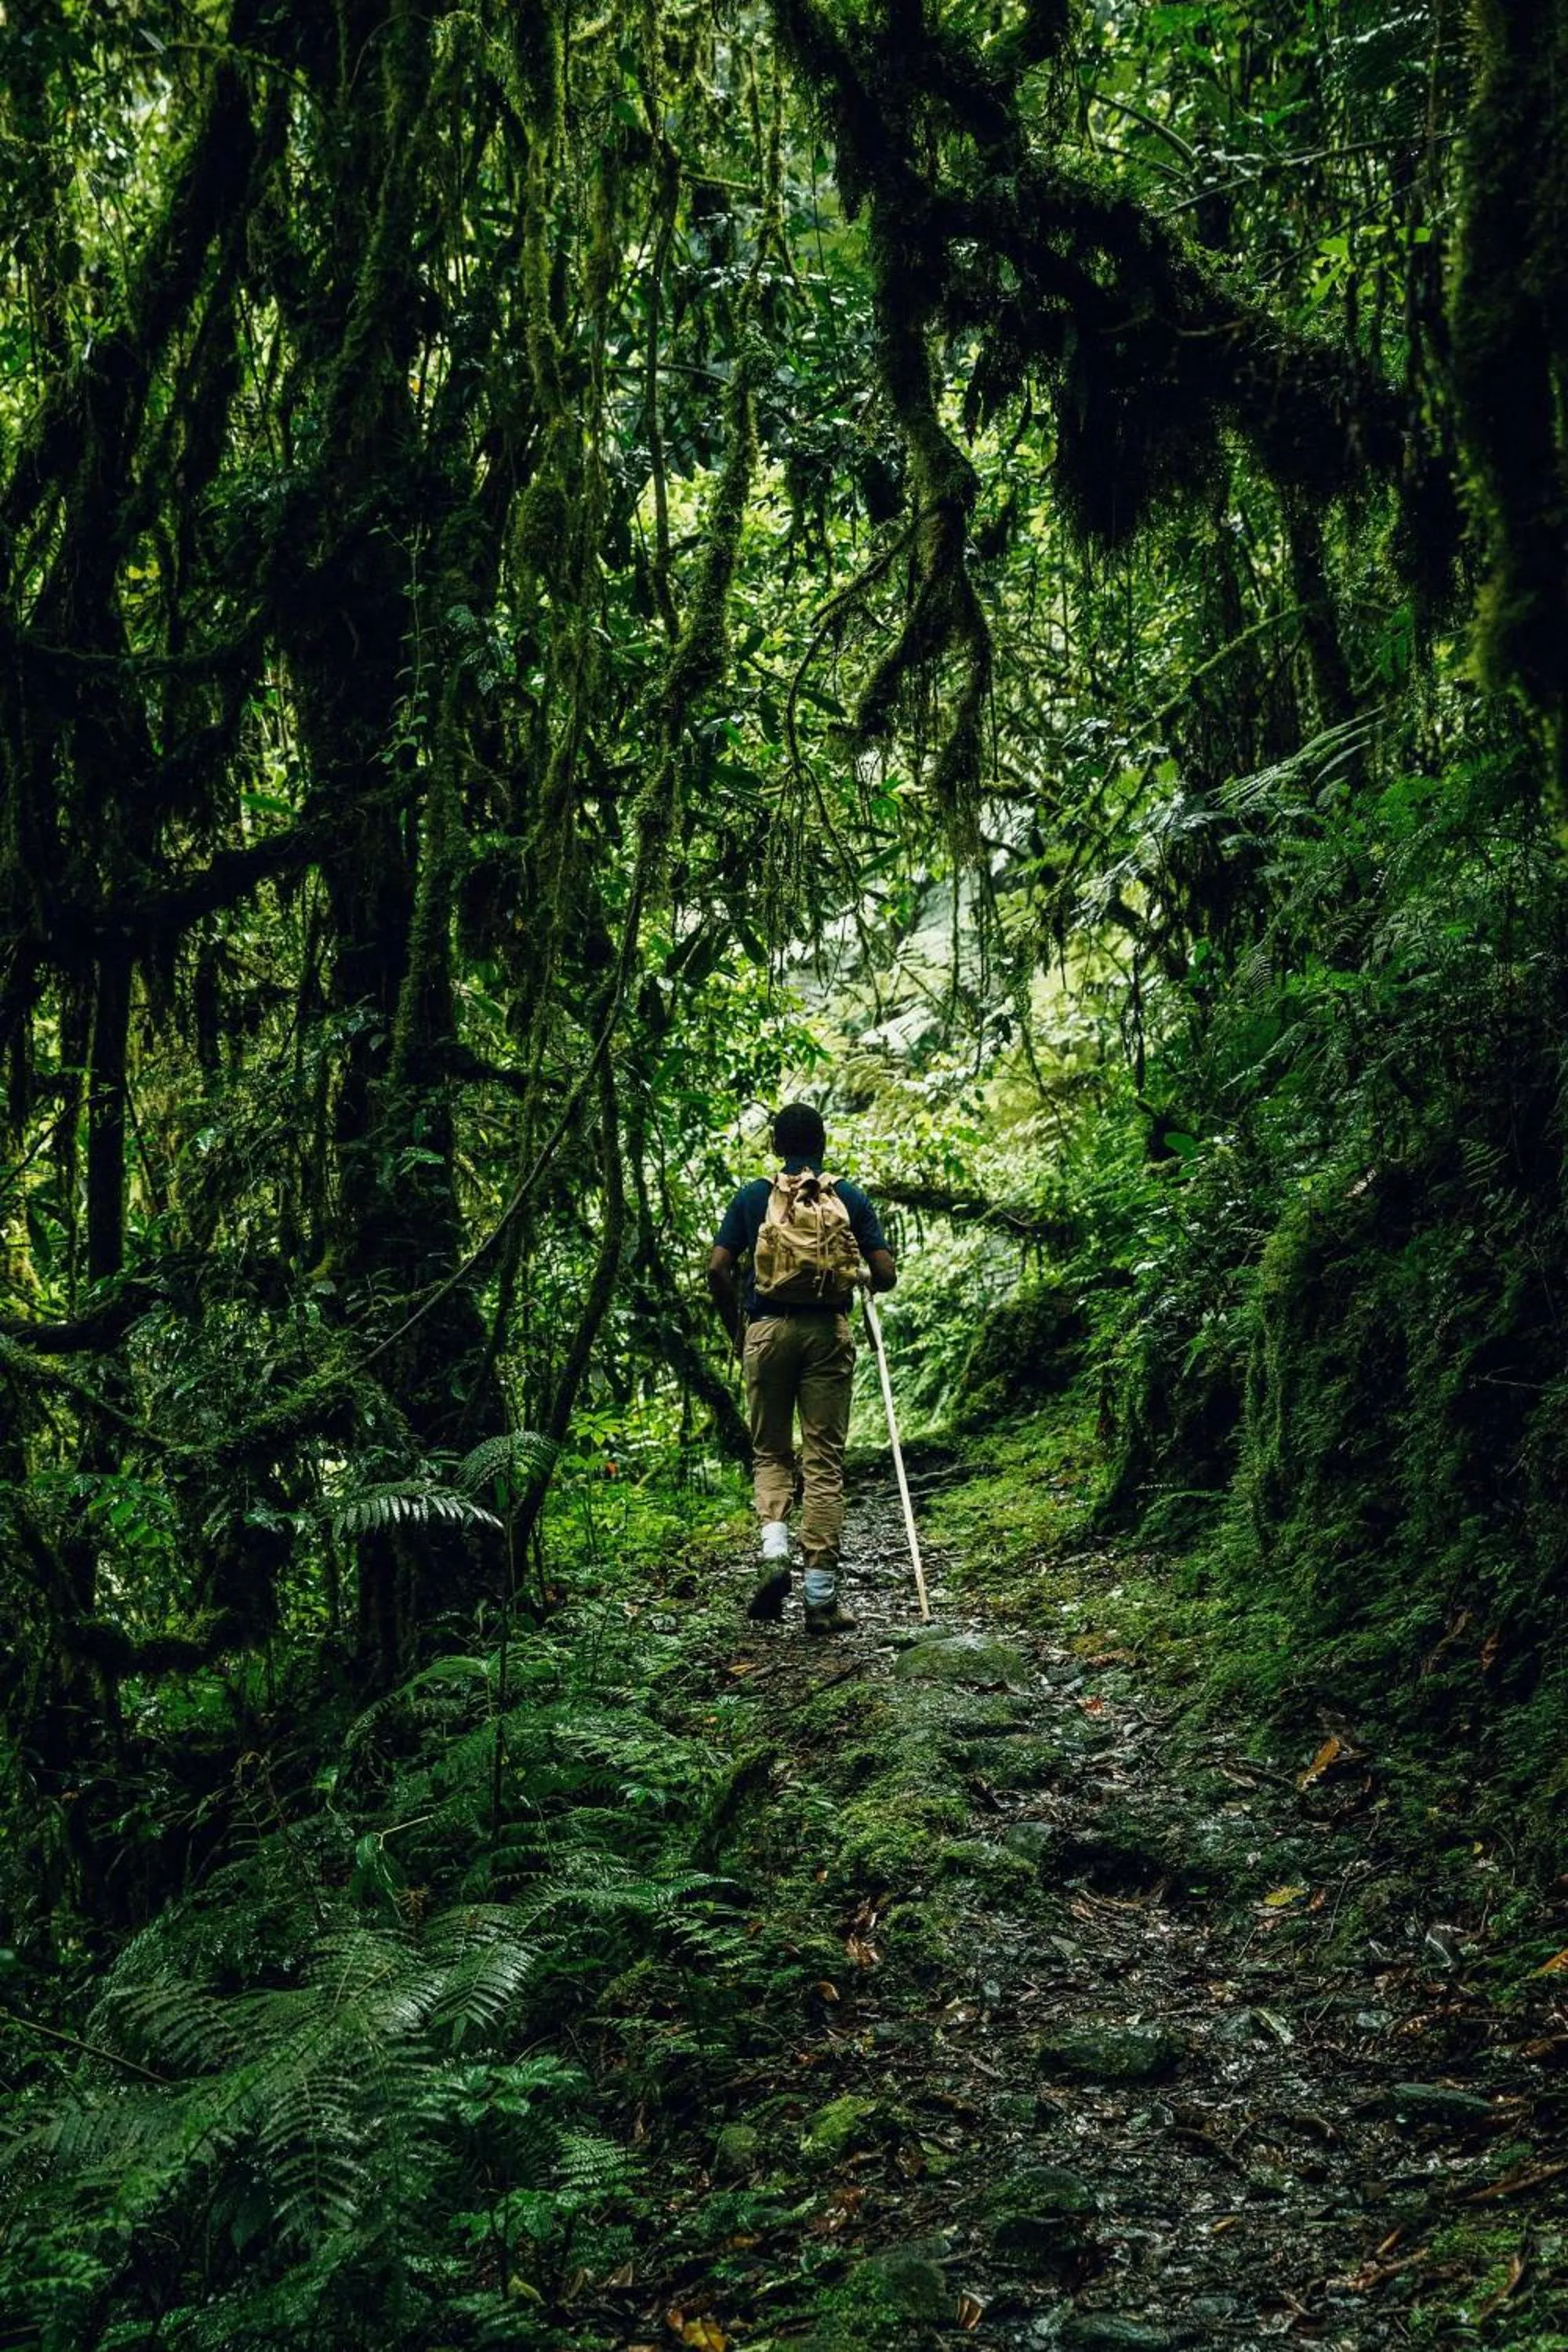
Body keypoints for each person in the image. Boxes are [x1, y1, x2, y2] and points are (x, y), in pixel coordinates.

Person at [707, 1104, 896, 1634]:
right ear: (824, 1144)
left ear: (775, 1146)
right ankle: (820, 1600)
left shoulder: (752, 1197)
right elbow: (885, 1275)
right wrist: (857, 1273)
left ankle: (773, 1552)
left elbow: (717, 1269)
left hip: (766, 1331)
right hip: (827, 1335)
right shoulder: (848, 1197)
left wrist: (738, 1330)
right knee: (823, 1462)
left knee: (770, 1451)